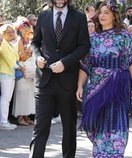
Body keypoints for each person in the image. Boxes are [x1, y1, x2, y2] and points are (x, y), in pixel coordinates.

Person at [76, 2, 132, 157]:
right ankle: (100, 153)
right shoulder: (91, 38)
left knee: (116, 120)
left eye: (106, 13)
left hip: (119, 86)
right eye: (100, 12)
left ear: (114, 16)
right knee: (95, 123)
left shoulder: (123, 36)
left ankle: (115, 153)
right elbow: (85, 65)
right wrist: (79, 85)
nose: (102, 15)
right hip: (96, 87)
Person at [29, 0, 90, 158]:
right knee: (40, 127)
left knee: (69, 129)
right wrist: (37, 58)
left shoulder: (79, 17)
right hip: (44, 81)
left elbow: (84, 46)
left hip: (68, 82)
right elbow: (35, 43)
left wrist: (65, 62)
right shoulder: (43, 15)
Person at [0, 24, 19, 130]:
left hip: (10, 73)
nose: (12, 33)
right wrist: (19, 67)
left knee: (7, 98)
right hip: (5, 73)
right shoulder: (2, 43)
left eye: (13, 31)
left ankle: (4, 120)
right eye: (9, 32)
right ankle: (3, 121)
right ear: (3, 34)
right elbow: (9, 59)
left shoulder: (8, 43)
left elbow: (15, 56)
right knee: (5, 98)